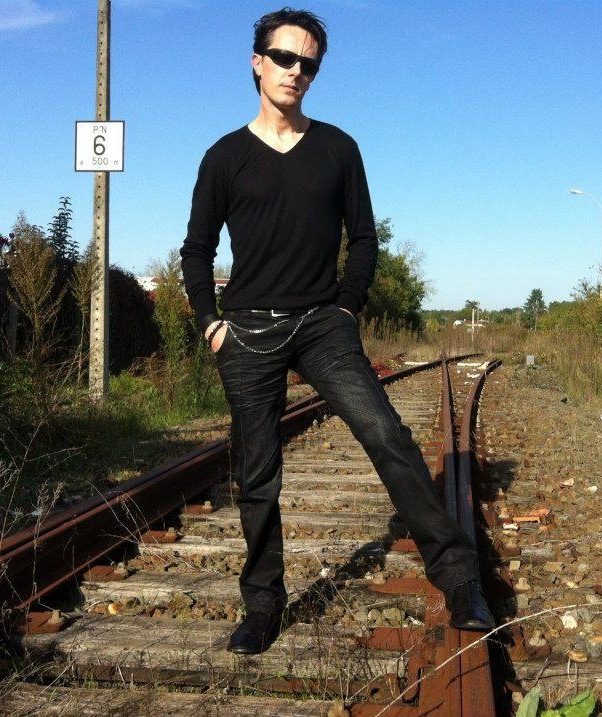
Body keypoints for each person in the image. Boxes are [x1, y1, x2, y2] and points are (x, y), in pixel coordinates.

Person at [180, 7, 494, 655]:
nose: (296, 71)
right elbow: (196, 249)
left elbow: (365, 238)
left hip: (323, 323)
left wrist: (348, 307)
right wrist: (210, 321)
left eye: (309, 63)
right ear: (257, 62)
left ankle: (460, 578)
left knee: (387, 434)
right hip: (248, 331)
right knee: (257, 474)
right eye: (284, 57)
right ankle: (263, 605)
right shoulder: (224, 157)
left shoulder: (338, 149)